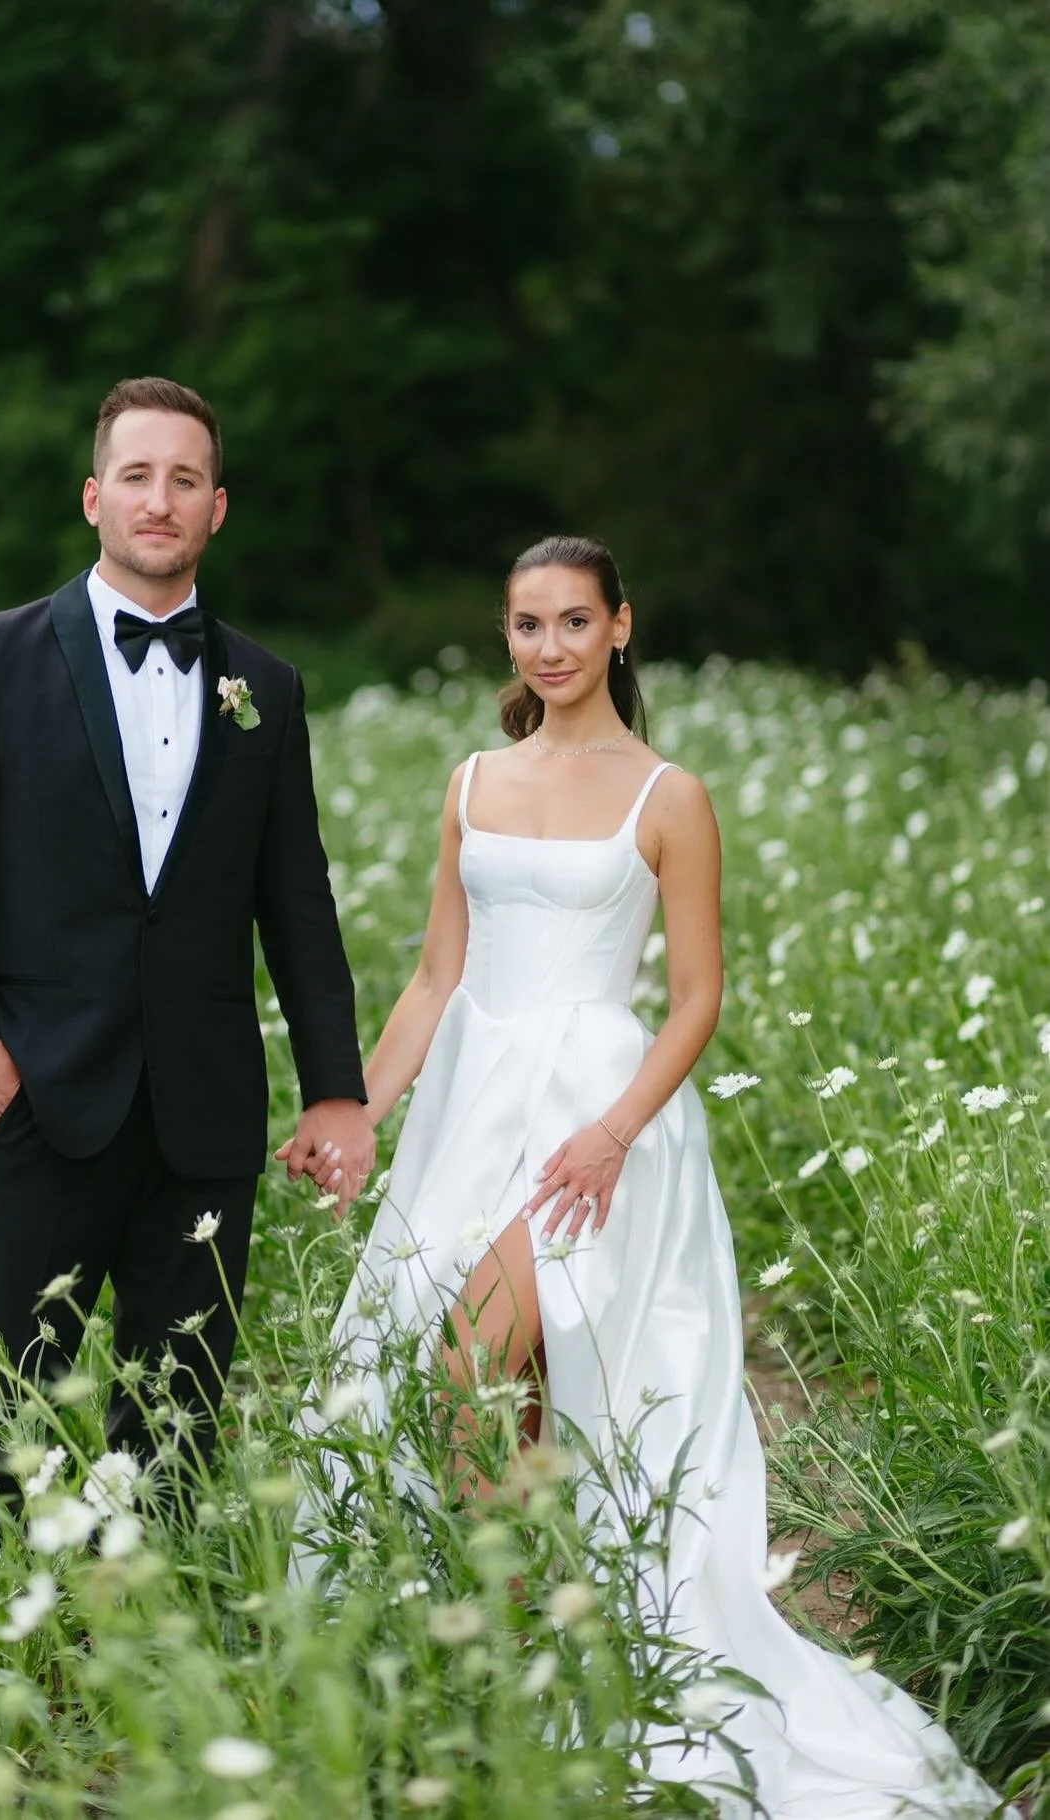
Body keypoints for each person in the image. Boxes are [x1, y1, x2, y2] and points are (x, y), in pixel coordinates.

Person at [292, 534, 1001, 1816]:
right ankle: (528, 1654)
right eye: (525, 624)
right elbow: (436, 976)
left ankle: (536, 1651)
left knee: (469, 1360)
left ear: (622, 626)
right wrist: (355, 1112)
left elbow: (696, 996)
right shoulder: (470, 780)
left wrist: (616, 1129)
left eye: (573, 620)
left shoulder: (667, 792)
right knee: (497, 1397)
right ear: (506, 635)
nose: (549, 646)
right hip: (473, 1104)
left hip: (596, 1123)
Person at [0, 375, 373, 1500]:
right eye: (139, 476)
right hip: (40, 1092)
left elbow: (297, 902)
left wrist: (334, 1085)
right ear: (95, 497)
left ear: (217, 508)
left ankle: (147, 1642)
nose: (162, 499)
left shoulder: (267, 689)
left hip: (205, 1115)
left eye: (185, 480)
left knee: (175, 1422)